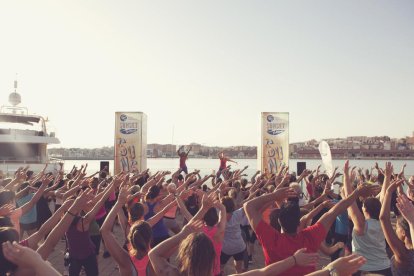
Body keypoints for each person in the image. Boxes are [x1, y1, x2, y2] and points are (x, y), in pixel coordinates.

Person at [244, 182, 373, 275]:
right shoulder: (310, 236)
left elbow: (248, 206)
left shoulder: (271, 240)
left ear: (279, 220)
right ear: (299, 221)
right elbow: (335, 211)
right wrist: (357, 193)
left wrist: (274, 195)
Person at [343, 161, 391, 275]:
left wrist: (345, 176)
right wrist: (387, 177)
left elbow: (350, 200)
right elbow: (383, 198)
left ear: (364, 209)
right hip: (385, 268)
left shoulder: (361, 225)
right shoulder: (383, 222)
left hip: (363, 270)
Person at [380, 180, 414, 275]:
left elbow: (383, 219)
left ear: (403, 232)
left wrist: (388, 192)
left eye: (397, 227)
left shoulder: (404, 254)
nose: (395, 230)